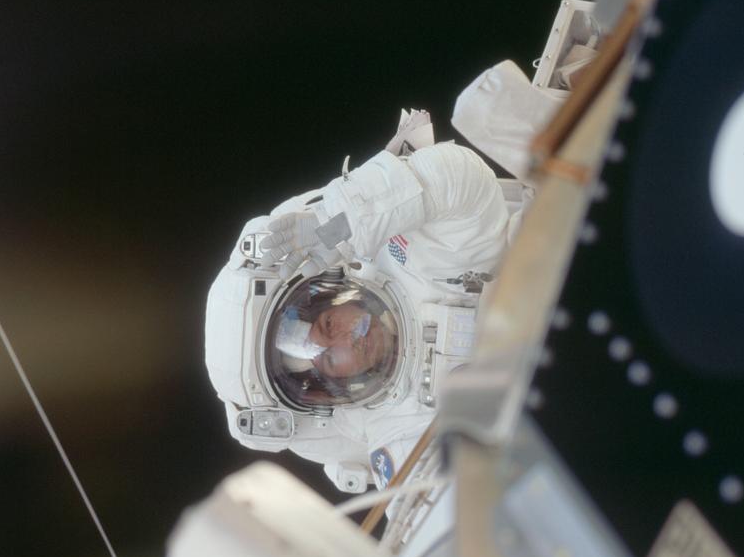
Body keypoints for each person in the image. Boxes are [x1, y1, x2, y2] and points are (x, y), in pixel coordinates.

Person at [204, 108, 525, 494]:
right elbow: (446, 523)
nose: (346, 342)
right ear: (325, 387)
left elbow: (460, 178)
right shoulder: (397, 431)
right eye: (326, 358)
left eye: (328, 325)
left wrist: (335, 224)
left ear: (330, 291)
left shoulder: (414, 257)